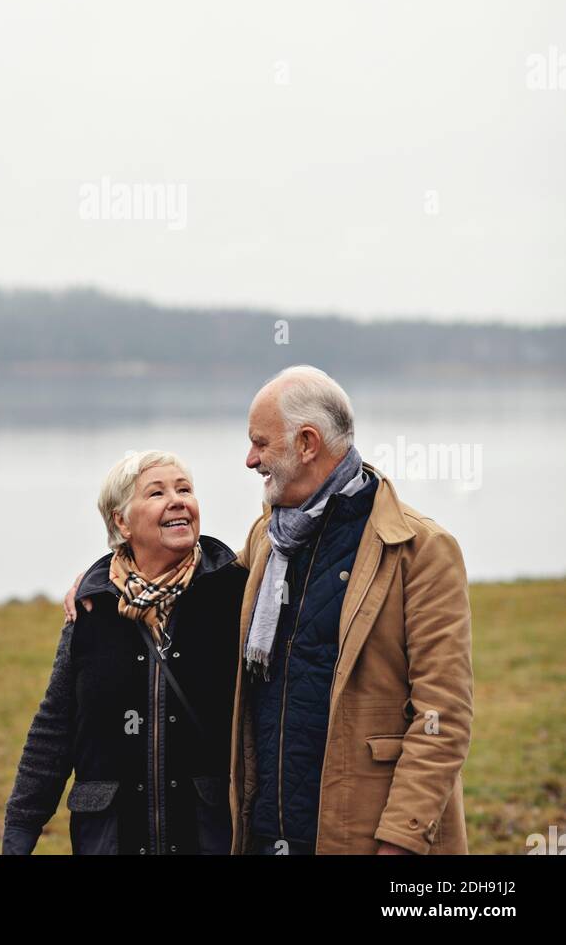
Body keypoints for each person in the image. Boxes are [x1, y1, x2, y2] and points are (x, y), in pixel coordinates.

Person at [66, 367, 474, 856]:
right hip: (265, 834)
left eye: (260, 443)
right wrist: (102, 581)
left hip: (363, 836)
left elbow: (442, 716)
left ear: (307, 443)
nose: (249, 459)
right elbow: (185, 582)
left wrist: (401, 841)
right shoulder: (267, 540)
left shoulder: (419, 550)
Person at [2, 450, 248, 855]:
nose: (177, 500)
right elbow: (55, 728)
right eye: (156, 493)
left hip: (209, 836)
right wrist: (19, 832)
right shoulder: (93, 606)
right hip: (110, 839)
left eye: (184, 489)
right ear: (121, 521)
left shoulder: (233, 591)